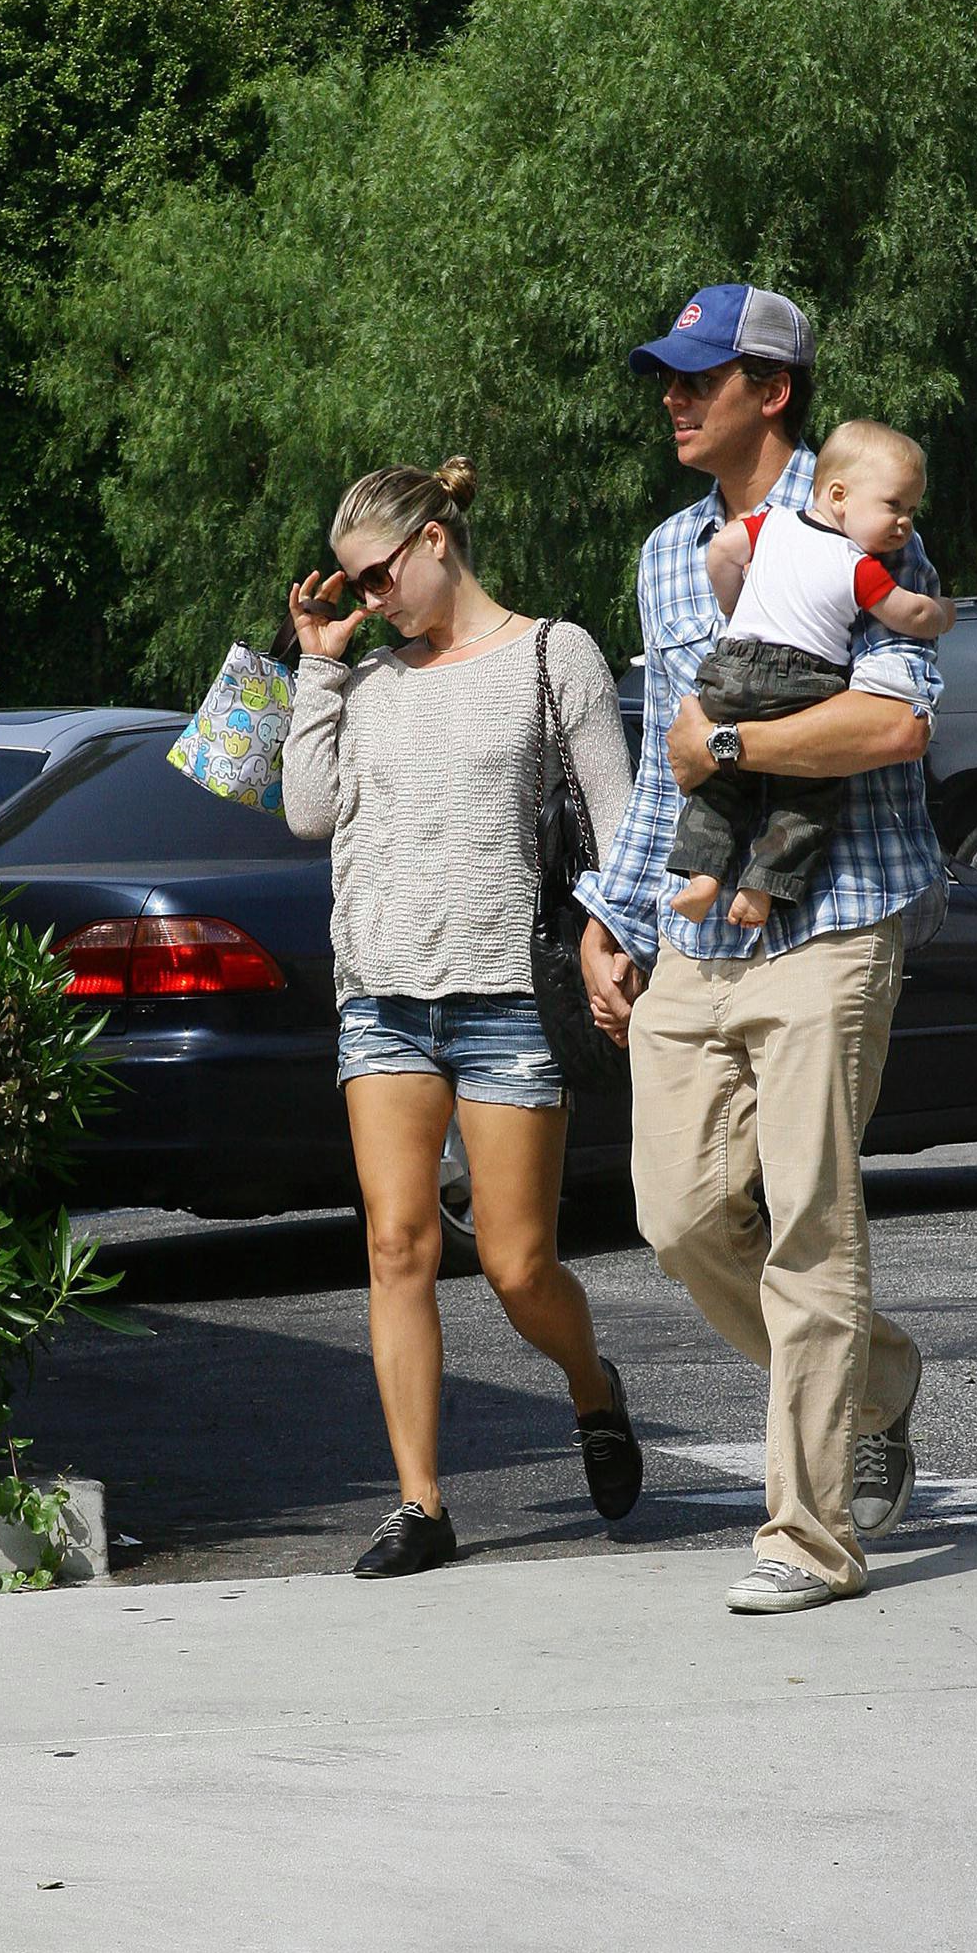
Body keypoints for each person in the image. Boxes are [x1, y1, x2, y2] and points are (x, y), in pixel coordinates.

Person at [578, 286, 948, 1617]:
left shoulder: (866, 514)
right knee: (674, 1216)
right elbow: (662, 753)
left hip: (834, 915)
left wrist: (730, 746)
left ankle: (807, 1535)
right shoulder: (668, 549)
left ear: (769, 389)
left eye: (698, 378)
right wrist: (613, 918)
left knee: (806, 1226)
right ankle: (878, 1379)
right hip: (696, 932)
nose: (673, 400)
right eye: (665, 381)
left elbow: (890, 728)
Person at [282, 456, 643, 1579]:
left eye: (377, 577)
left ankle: (593, 1386)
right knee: (396, 1245)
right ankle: (421, 1503)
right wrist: (316, 668)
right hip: (379, 993)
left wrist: (610, 935)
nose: (369, 601)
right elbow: (304, 813)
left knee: (519, 1264)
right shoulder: (368, 679)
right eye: (350, 585)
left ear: (437, 540)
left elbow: (619, 819)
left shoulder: (552, 653)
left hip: (503, 995)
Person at [669, 419, 954, 927]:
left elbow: (721, 552)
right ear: (839, 495)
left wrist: (734, 610)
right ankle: (762, 887)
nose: (905, 524)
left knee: (716, 788)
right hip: (805, 682)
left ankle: (702, 876)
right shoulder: (857, 564)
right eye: (894, 506)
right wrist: (944, 612)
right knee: (807, 792)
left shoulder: (769, 524)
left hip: (731, 666)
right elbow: (907, 614)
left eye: (911, 511)